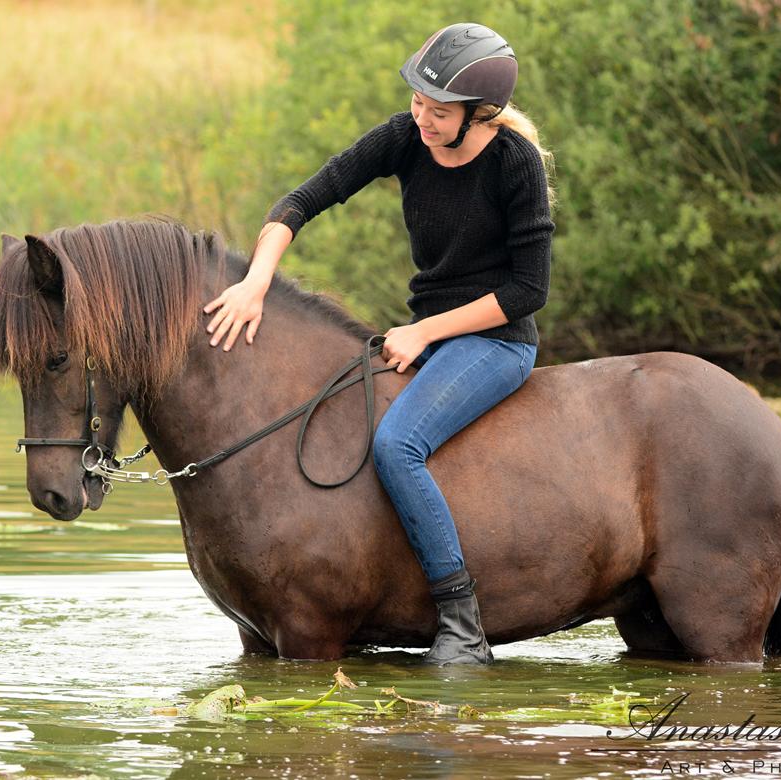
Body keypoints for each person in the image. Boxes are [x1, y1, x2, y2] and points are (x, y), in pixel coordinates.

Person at [202, 22, 555, 665]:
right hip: (424, 337)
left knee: (397, 446)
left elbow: (529, 290)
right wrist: (255, 282)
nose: (422, 117)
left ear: (480, 114)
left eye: (439, 111)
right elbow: (302, 200)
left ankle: (461, 621)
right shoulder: (405, 138)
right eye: (418, 101)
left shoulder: (515, 163)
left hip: (496, 342)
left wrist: (423, 331)